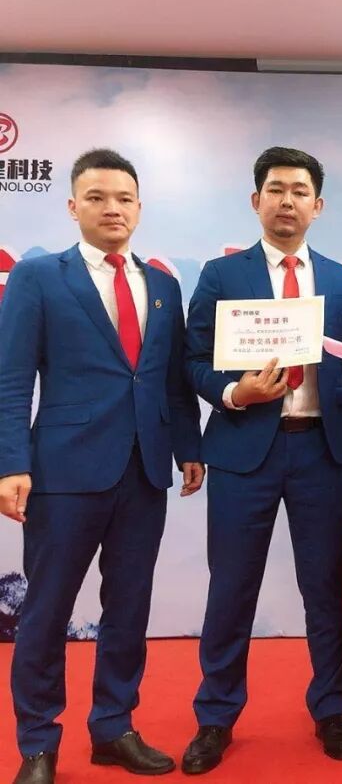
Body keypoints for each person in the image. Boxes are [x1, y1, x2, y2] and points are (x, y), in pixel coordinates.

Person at [0, 149, 203, 784]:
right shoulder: (38, 277)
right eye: (96, 198)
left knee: (129, 609)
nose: (112, 208)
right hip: (62, 474)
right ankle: (38, 743)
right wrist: (11, 462)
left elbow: (171, 383)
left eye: (123, 198)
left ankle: (113, 727)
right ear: (73, 206)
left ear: (139, 208)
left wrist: (189, 449)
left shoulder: (163, 287)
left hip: (144, 472)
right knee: (46, 611)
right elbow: (12, 378)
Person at [181, 147, 342, 775]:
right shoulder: (222, 274)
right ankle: (215, 716)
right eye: (275, 189)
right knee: (231, 588)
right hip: (244, 452)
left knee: (325, 588)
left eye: (298, 191)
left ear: (317, 205)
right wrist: (235, 393)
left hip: (322, 451)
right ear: (255, 200)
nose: (286, 200)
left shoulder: (341, 282)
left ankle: (331, 709)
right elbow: (192, 361)